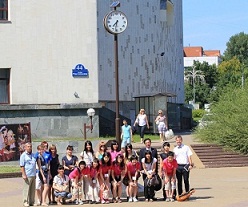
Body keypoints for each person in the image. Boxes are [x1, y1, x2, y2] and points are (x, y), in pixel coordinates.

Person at [20, 142, 36, 207]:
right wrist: (23, 174)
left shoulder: (33, 155)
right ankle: (25, 201)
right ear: (25, 147)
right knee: (26, 189)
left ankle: (32, 202)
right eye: (28, 146)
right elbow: (22, 166)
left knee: (32, 189)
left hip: (33, 174)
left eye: (30, 146)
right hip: (27, 174)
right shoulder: (23, 155)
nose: (29, 148)